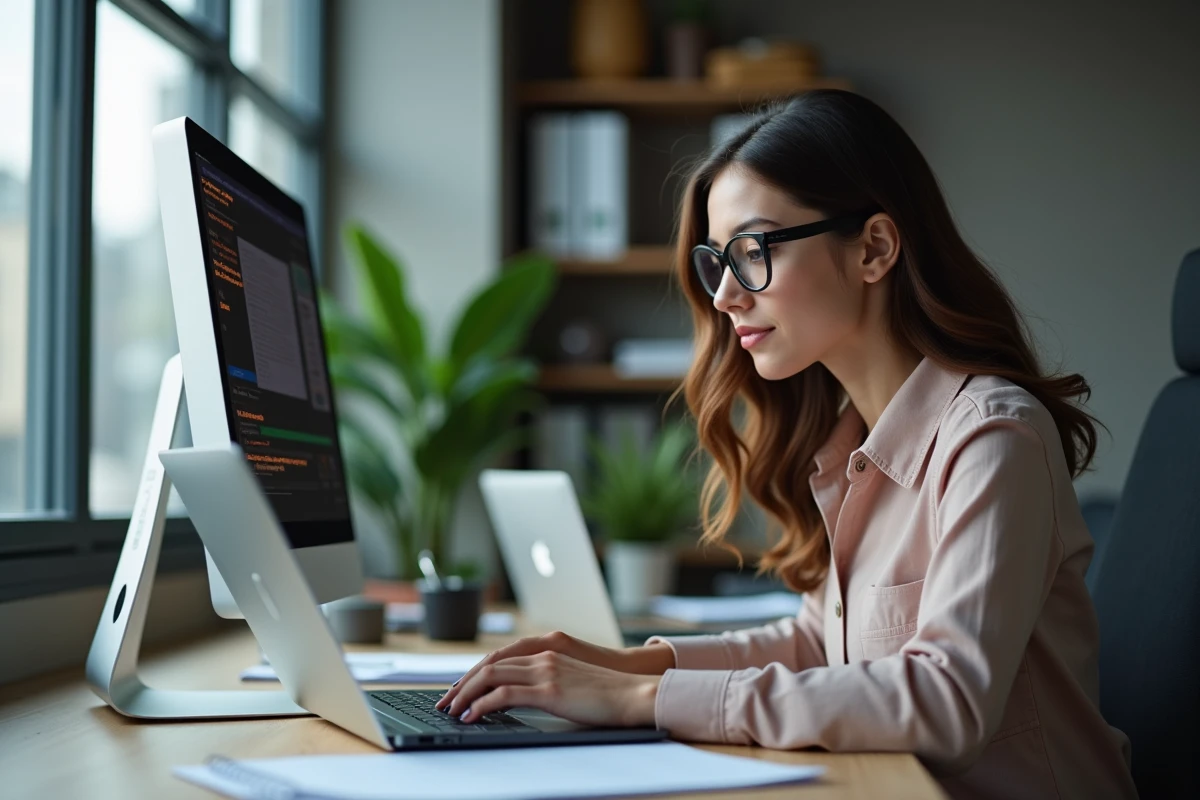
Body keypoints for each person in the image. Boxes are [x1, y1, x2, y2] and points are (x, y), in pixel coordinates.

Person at [437, 90, 1136, 799]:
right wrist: (624, 667)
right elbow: (816, 642)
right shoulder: (852, 440)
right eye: (719, 261)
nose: (725, 297)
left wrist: (639, 702)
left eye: (753, 251)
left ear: (873, 249)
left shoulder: (992, 438)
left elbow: (947, 701)